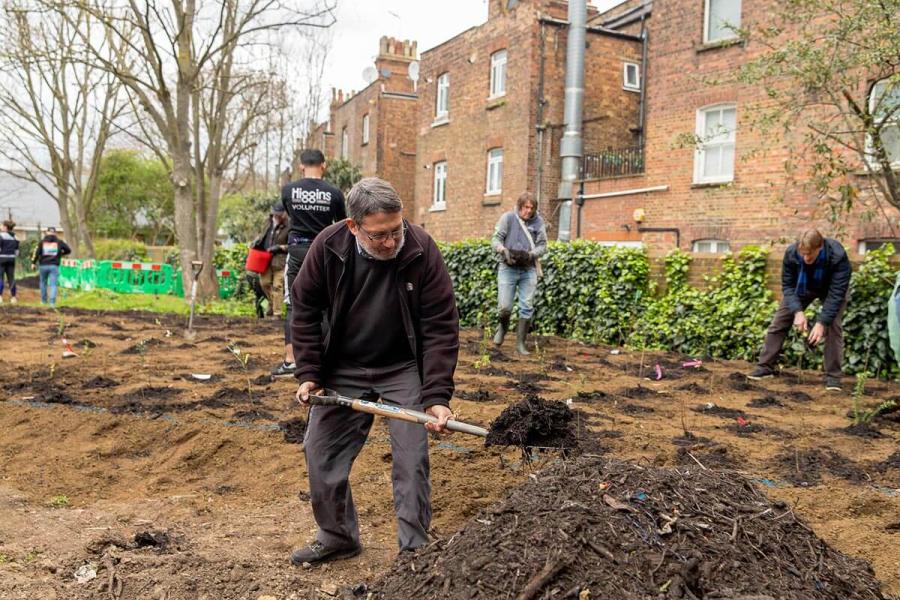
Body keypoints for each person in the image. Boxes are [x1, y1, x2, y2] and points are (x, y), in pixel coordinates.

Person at [290, 177, 459, 566]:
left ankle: (413, 552)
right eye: (379, 235)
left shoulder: (420, 248)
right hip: (343, 366)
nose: (390, 241)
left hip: (401, 367)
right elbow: (304, 309)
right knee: (319, 451)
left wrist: (436, 397)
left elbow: (440, 325)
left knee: (411, 458)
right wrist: (310, 372)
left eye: (396, 230)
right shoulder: (328, 246)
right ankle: (338, 536)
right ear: (353, 226)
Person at [271, 149, 347, 378]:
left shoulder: (288, 191)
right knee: (325, 306)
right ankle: (324, 361)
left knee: (294, 304)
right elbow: (342, 224)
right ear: (323, 165)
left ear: (301, 166)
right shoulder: (334, 193)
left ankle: (291, 361)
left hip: (297, 252)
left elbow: (285, 215)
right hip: (323, 253)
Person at [748, 229, 851, 391]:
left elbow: (837, 294)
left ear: (820, 247)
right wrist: (797, 311)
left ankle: (833, 376)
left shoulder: (837, 256)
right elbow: (788, 286)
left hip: (830, 289)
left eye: (809, 254)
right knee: (779, 321)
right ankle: (765, 367)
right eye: (802, 253)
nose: (805, 258)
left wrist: (821, 322)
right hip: (802, 287)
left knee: (833, 326)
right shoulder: (791, 254)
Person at [490, 192, 547, 355]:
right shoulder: (508, 218)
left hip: (528, 269)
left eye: (532, 208)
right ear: (519, 206)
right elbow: (496, 239)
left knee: (526, 306)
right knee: (505, 308)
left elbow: (543, 246)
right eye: (525, 207)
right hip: (508, 268)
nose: (528, 211)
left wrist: (531, 254)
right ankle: (502, 327)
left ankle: (520, 344)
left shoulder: (538, 222)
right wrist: (503, 250)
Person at [252, 202, 289, 317]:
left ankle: (277, 313)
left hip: (280, 261)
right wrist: (256, 243)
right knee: (264, 283)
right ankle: (272, 304)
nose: (276, 216)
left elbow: (293, 245)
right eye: (275, 214)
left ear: (284, 214)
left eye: (279, 214)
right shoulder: (267, 223)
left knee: (278, 286)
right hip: (265, 260)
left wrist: (280, 247)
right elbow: (261, 236)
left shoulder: (290, 226)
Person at [31, 226, 71, 308]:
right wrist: (60, 254)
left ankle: (43, 301)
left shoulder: (42, 242)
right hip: (54, 266)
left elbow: (36, 252)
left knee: (43, 283)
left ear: (46, 232)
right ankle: (52, 303)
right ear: (55, 233)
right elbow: (68, 250)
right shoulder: (59, 242)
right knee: (53, 284)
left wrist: (33, 263)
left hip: (43, 265)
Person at [0, 220, 19, 304]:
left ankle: (0, 297)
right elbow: (17, 252)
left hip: (1, 259)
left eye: (1, 226)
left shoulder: (1, 236)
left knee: (0, 278)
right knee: (11, 278)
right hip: (12, 259)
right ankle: (13, 298)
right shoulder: (15, 237)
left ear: (5, 227)